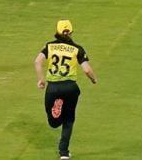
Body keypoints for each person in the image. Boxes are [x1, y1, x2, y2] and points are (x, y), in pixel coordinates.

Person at [34, 20, 97, 160]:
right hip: (70, 87)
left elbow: (37, 61)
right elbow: (86, 69)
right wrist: (93, 79)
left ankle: (56, 111)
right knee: (69, 120)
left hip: (53, 87)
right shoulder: (77, 49)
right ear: (71, 32)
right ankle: (64, 153)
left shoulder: (49, 46)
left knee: (53, 123)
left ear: (57, 31)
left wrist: (41, 80)